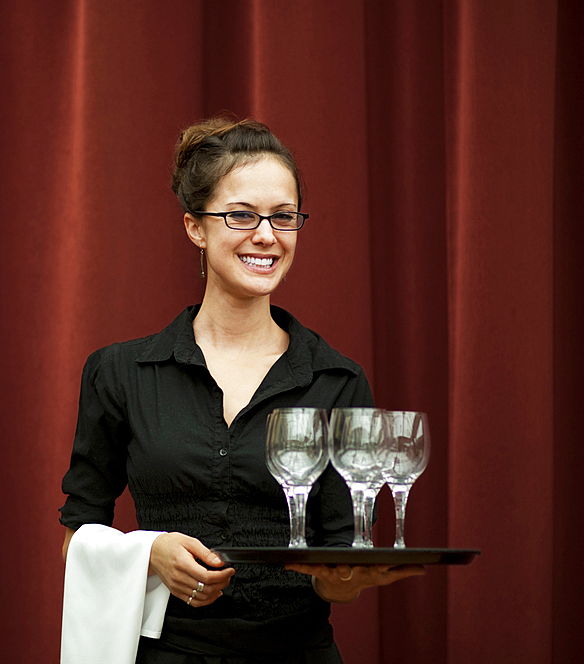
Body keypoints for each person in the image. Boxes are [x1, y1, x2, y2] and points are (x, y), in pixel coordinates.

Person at [59, 117, 423, 663]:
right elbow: (77, 539)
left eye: (284, 217)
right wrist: (150, 552)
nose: (266, 235)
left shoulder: (337, 380)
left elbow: (340, 562)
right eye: (241, 215)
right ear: (194, 228)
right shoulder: (121, 372)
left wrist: (347, 578)